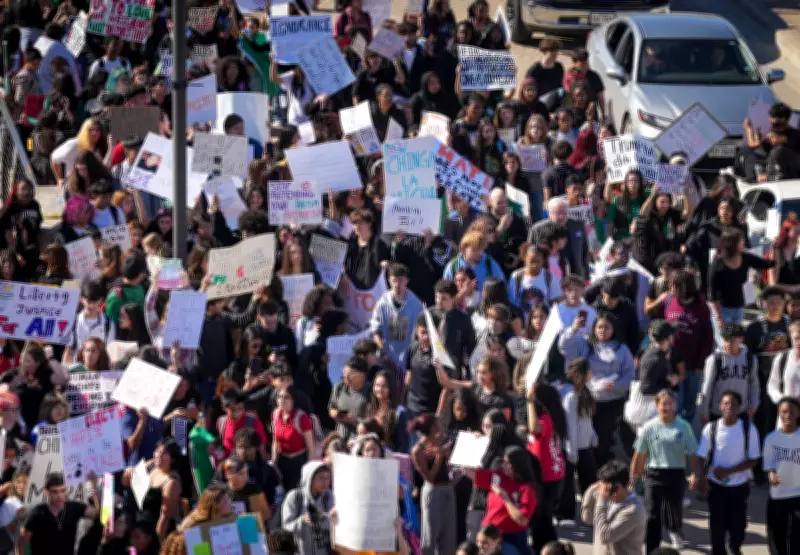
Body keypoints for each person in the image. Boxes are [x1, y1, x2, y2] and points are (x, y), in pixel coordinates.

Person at [630, 390, 700, 552]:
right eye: (663, 404)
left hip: (676, 473)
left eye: (670, 404)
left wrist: (695, 473)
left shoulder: (683, 427)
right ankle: (652, 549)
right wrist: (635, 476)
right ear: (657, 406)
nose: (667, 407)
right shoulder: (649, 427)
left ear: (675, 405)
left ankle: (675, 531)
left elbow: (692, 453)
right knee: (652, 514)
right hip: (654, 474)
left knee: (674, 509)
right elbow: (639, 454)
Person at [697, 391, 761, 555]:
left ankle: (735, 547)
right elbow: (702, 457)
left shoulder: (749, 429)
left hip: (739, 486)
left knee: (738, 525)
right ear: (720, 406)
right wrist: (701, 479)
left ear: (739, 407)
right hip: (716, 486)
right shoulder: (711, 429)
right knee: (717, 525)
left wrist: (729, 471)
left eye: (733, 404)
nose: (729, 407)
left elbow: (754, 459)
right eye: (725, 403)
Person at [18, 472, 99, 555]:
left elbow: (99, 515)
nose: (59, 495)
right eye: (55, 492)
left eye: (63, 490)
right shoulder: (36, 513)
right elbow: (22, 543)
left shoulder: (74, 508)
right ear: (46, 492)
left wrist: (92, 490)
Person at [411, 414, 456, 555]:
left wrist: (448, 456)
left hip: (449, 491)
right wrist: (438, 458)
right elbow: (428, 477)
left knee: (449, 537)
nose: (442, 427)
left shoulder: (442, 442)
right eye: (439, 424)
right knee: (430, 537)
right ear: (433, 428)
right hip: (433, 493)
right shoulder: (418, 449)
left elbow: (452, 465)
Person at [580, 461, 646, 555]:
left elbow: (605, 536)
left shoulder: (633, 509)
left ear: (620, 486)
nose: (608, 492)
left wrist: (601, 499)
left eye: (610, 488)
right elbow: (587, 518)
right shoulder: (611, 498)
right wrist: (592, 489)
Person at [699, 323, 760, 423]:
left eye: (732, 341)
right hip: (718, 412)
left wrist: (754, 404)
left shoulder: (750, 359)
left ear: (741, 339)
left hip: (741, 411)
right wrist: (704, 412)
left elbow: (754, 383)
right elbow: (707, 387)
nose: (728, 344)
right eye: (725, 340)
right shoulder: (715, 359)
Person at [762, 397, 800, 555]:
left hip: (798, 495)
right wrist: (771, 475)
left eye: (791, 412)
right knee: (777, 540)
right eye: (784, 412)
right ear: (778, 414)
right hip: (777, 497)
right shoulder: (771, 439)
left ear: (798, 413)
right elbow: (769, 466)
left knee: (796, 540)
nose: (788, 415)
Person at [281, 462, 334, 555]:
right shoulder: (295, 497)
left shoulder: (329, 496)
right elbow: (286, 528)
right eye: (321, 478)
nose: (325, 483)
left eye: (327, 478)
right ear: (309, 479)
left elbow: (336, 525)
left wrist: (325, 518)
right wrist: (302, 521)